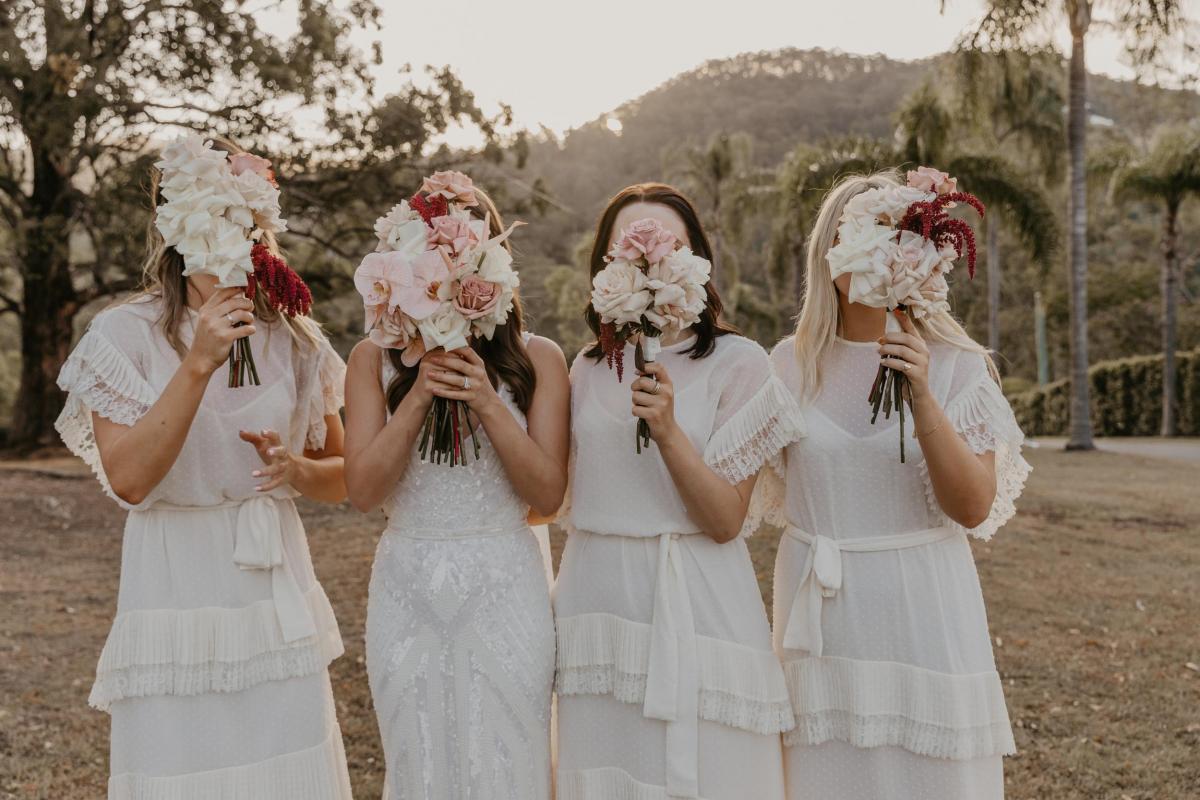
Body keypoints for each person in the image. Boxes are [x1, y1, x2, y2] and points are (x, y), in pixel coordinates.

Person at [55, 137, 352, 798]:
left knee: (286, 769)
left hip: (272, 583)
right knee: (183, 770)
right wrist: (197, 364)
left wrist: (297, 471)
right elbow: (130, 480)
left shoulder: (296, 339)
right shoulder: (123, 337)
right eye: (215, 219)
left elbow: (347, 475)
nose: (232, 239)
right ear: (177, 228)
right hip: (176, 585)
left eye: (242, 222)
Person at [771, 172, 1031, 800]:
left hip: (922, 609)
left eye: (893, 237)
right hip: (822, 618)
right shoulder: (787, 364)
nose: (877, 255)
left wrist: (921, 395)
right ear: (827, 254)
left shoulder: (957, 363)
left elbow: (971, 506)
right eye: (858, 236)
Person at [553, 183, 805, 799]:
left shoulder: (739, 363)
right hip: (598, 594)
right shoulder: (584, 368)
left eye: (666, 243)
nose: (647, 257)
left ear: (694, 259)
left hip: (696, 594)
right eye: (628, 247)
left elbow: (724, 520)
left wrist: (666, 431)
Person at [343, 183, 569, 799]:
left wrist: (487, 400)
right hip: (408, 584)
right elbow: (363, 491)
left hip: (504, 582)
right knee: (418, 757)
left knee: (509, 758)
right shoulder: (371, 360)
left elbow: (546, 499)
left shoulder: (538, 359)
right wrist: (419, 393)